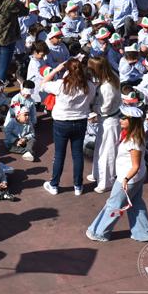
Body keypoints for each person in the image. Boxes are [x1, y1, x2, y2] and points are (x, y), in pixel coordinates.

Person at [86, 105, 148, 242]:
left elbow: (135, 166)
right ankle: (143, 234)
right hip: (136, 177)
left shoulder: (134, 141)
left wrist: (126, 179)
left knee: (114, 205)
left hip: (128, 178)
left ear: (132, 121)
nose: (120, 119)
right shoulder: (132, 135)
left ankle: (99, 232)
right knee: (136, 203)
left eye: (124, 118)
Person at [41, 58, 96, 196]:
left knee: (59, 154)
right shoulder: (89, 85)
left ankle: (54, 185)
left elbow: (43, 84)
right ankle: (78, 186)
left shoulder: (61, 85)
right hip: (80, 122)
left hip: (62, 122)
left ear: (68, 71)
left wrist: (56, 69)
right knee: (77, 155)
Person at [87, 56, 121, 193]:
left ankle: (106, 182)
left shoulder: (107, 87)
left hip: (109, 121)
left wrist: (91, 107)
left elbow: (105, 108)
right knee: (100, 149)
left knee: (107, 153)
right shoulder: (112, 77)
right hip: (107, 120)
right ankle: (96, 174)